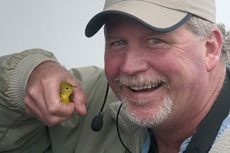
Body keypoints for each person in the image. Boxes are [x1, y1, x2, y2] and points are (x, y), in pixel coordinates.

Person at [0, 0, 230, 152]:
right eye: (117, 42)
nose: (129, 67)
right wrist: (27, 74)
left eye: (155, 41)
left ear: (210, 48)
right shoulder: (86, 100)